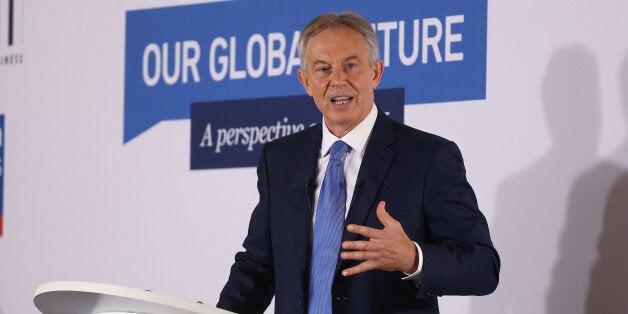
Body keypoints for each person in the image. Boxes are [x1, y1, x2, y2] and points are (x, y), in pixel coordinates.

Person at [217, 11, 499, 314]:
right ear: (306, 81)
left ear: (375, 73)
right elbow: (259, 265)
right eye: (323, 69)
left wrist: (413, 258)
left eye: (351, 66)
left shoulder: (428, 157)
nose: (338, 80)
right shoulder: (281, 159)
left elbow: (482, 267)